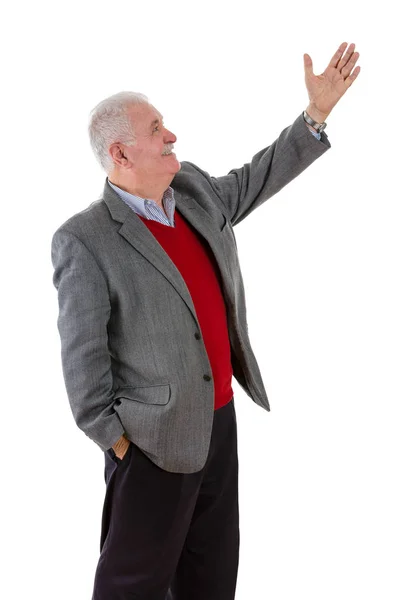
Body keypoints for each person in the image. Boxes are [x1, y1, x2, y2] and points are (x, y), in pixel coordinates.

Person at [51, 42, 360, 600]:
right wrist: (121, 444)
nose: (171, 135)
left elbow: (254, 181)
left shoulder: (190, 190)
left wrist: (315, 116)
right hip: (151, 443)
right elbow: (83, 365)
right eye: (156, 128)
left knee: (212, 577)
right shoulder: (85, 240)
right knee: (132, 585)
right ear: (121, 154)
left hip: (219, 423)